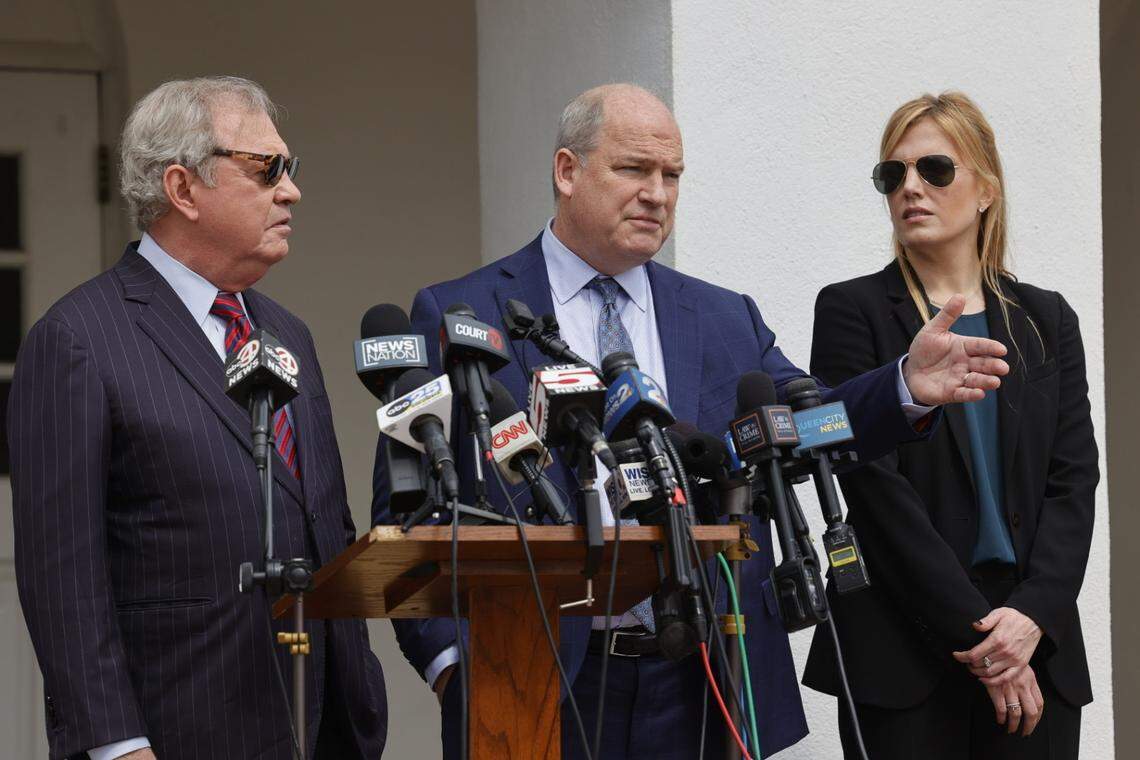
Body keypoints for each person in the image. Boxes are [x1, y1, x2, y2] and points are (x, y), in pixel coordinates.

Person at [372, 83, 1009, 760]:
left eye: (671, 175)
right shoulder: (462, 313)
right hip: (530, 674)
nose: (657, 194)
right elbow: (408, 512)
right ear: (567, 171)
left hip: (704, 674)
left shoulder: (725, 318)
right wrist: (453, 667)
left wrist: (904, 385)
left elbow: (810, 427)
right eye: (633, 169)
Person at [8, 76, 387, 760]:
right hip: (179, 729)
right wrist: (117, 744)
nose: (291, 191)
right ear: (183, 188)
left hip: (320, 722)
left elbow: (323, 519)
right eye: (267, 168)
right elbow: (62, 576)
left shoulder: (288, 334)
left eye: (290, 168)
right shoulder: (79, 339)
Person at [802, 91, 1097, 759]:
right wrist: (980, 639)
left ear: (986, 189)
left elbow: (1074, 481)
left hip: (1034, 642)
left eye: (934, 169)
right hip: (906, 647)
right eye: (893, 174)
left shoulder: (1045, 318)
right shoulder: (852, 310)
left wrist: (1031, 617)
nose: (910, 188)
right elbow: (871, 488)